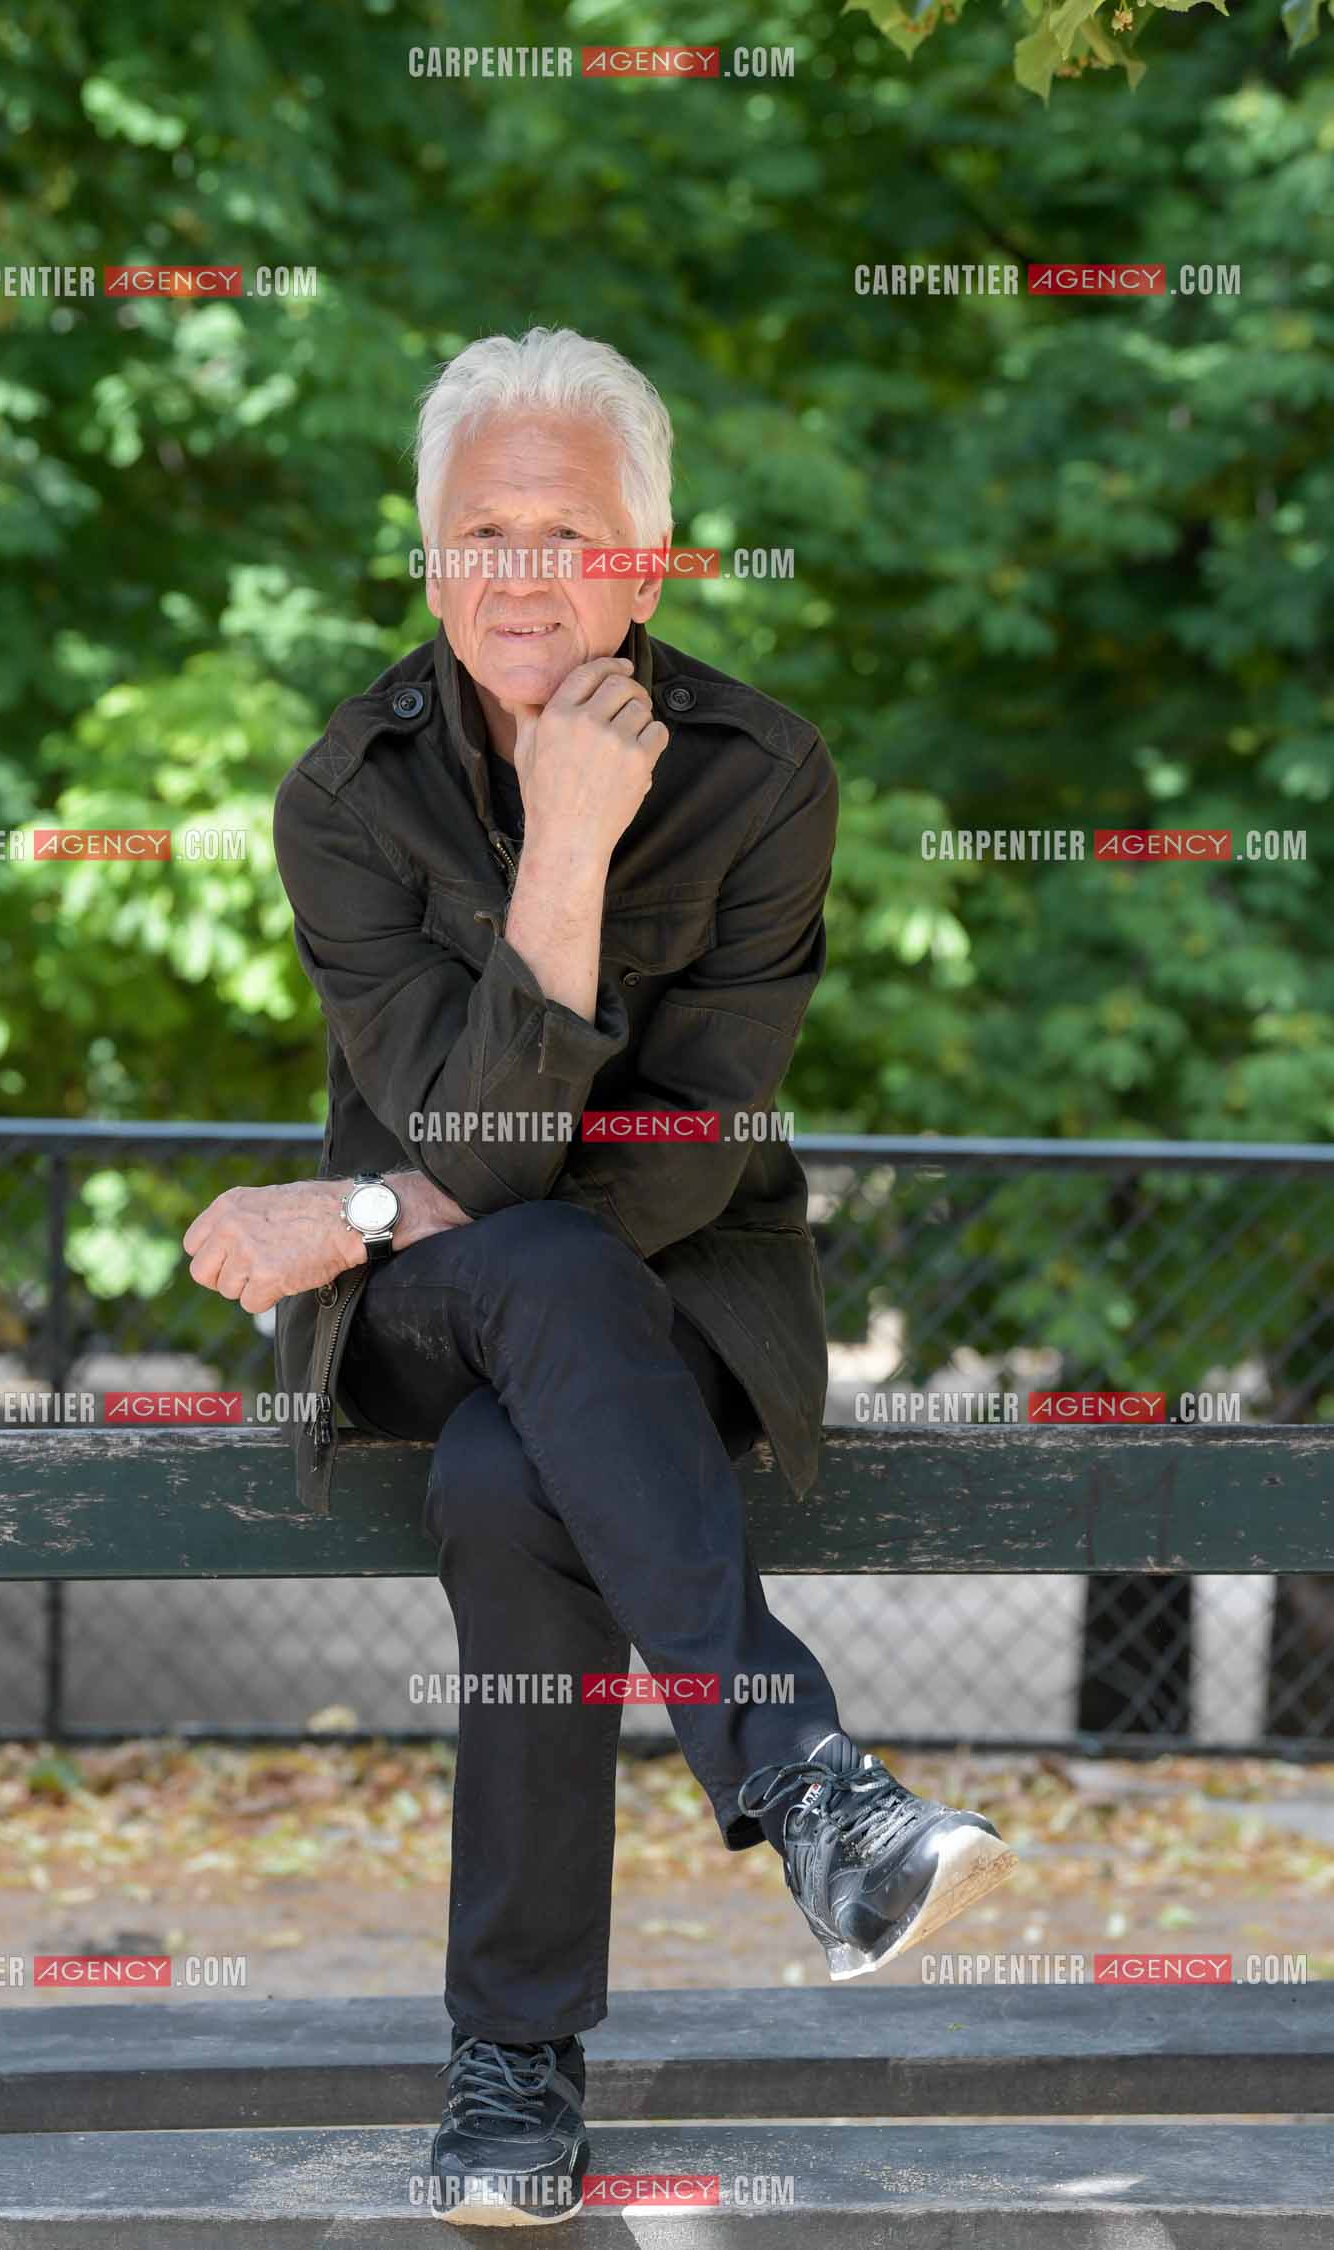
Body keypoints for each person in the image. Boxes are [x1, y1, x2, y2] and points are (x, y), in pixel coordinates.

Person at [184, 325, 1017, 2228]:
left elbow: (679, 1154)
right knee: (528, 1273)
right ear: (430, 561)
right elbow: (484, 1165)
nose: (520, 577)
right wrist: (563, 849)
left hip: (676, 1296)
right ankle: (810, 1785)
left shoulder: (762, 775)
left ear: (648, 561)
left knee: (512, 1471)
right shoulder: (347, 796)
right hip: (425, 1318)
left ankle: (513, 2074)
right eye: (482, 533)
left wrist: (357, 1204)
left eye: (567, 534)